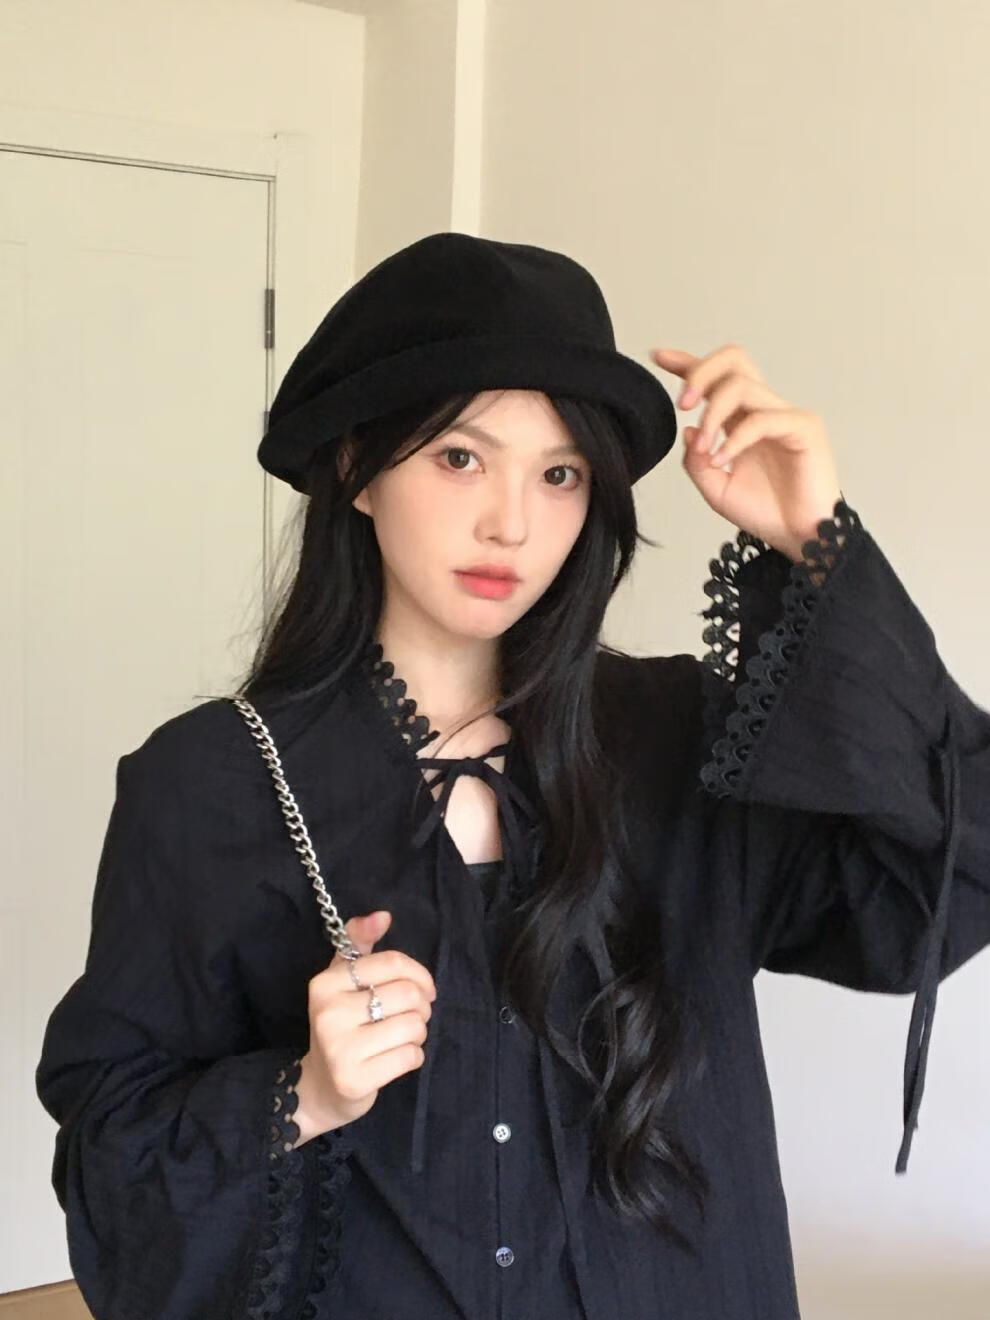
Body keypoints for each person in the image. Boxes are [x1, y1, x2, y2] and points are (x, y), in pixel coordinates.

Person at [35, 232, 990, 1320]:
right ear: (355, 467)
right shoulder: (212, 782)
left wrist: (818, 542)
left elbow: (944, 884)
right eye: (460, 457)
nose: (513, 523)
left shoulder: (684, 740)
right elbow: (113, 1148)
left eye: (560, 473)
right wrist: (303, 1093)